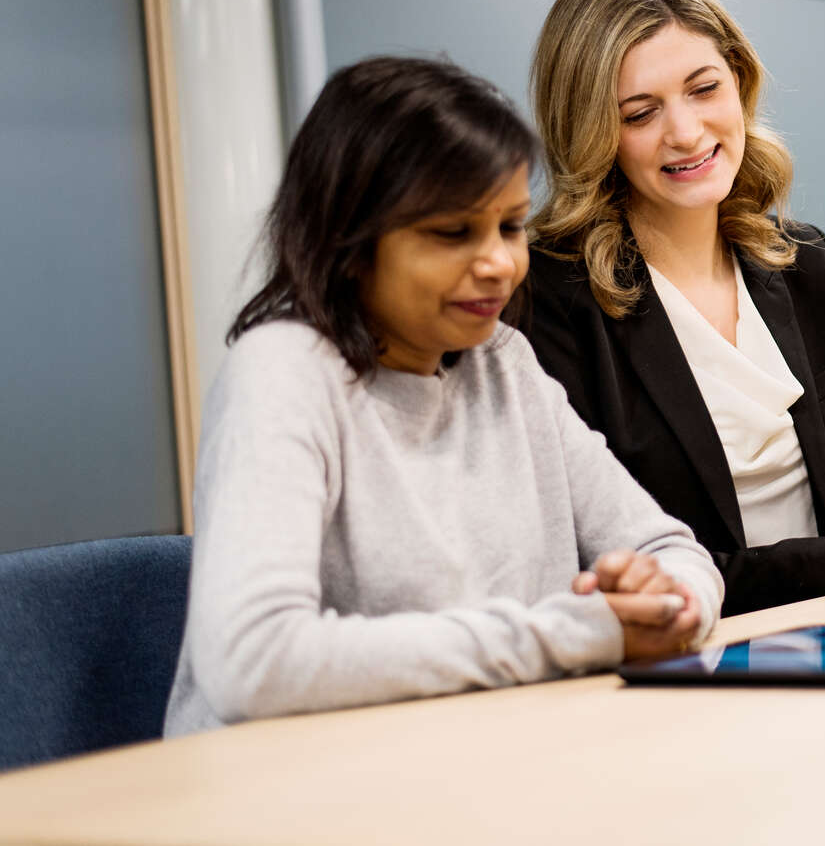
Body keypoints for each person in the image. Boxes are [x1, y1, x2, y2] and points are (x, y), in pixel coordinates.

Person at [164, 57, 723, 737]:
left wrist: (667, 605)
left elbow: (671, 547)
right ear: (350, 241)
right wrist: (577, 634)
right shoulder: (284, 371)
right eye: (452, 233)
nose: (499, 263)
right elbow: (253, 661)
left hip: (485, 756)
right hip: (293, 782)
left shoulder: (505, 362)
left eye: (510, 226)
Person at [520, 0, 825, 617]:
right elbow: (606, 570)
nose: (686, 132)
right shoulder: (549, 298)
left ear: (738, 80)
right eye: (640, 113)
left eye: (704, 88)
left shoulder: (802, 262)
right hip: (688, 658)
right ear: (592, 131)